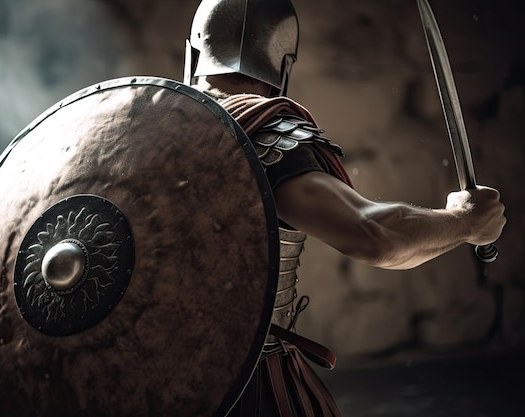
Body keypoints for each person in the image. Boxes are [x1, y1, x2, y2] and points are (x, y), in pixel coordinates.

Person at [183, 0, 507, 416]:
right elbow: (375, 237)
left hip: (139, 382)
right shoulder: (267, 138)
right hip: (248, 389)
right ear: (283, 65)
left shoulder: (139, 133)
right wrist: (465, 221)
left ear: (192, 53)